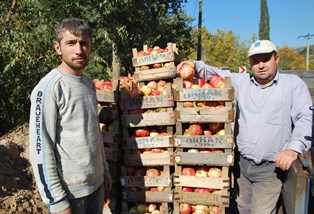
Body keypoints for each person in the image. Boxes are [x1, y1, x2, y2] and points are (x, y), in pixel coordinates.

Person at [177, 40, 312, 214]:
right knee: (240, 209)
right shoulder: (242, 82)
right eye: (256, 61)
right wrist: (193, 65)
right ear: (250, 63)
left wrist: (293, 149)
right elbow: (215, 73)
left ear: (276, 59)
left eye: (265, 59)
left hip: (270, 169)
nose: (261, 65)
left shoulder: (292, 85)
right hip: (242, 166)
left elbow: (305, 117)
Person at [29, 18, 112, 214]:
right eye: (71, 43)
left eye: (84, 43)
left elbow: (93, 133)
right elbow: (40, 147)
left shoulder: (89, 85)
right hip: (70, 194)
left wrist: (105, 171)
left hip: (96, 188)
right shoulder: (48, 88)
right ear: (58, 48)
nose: (79, 50)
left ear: (91, 46)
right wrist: (56, 200)